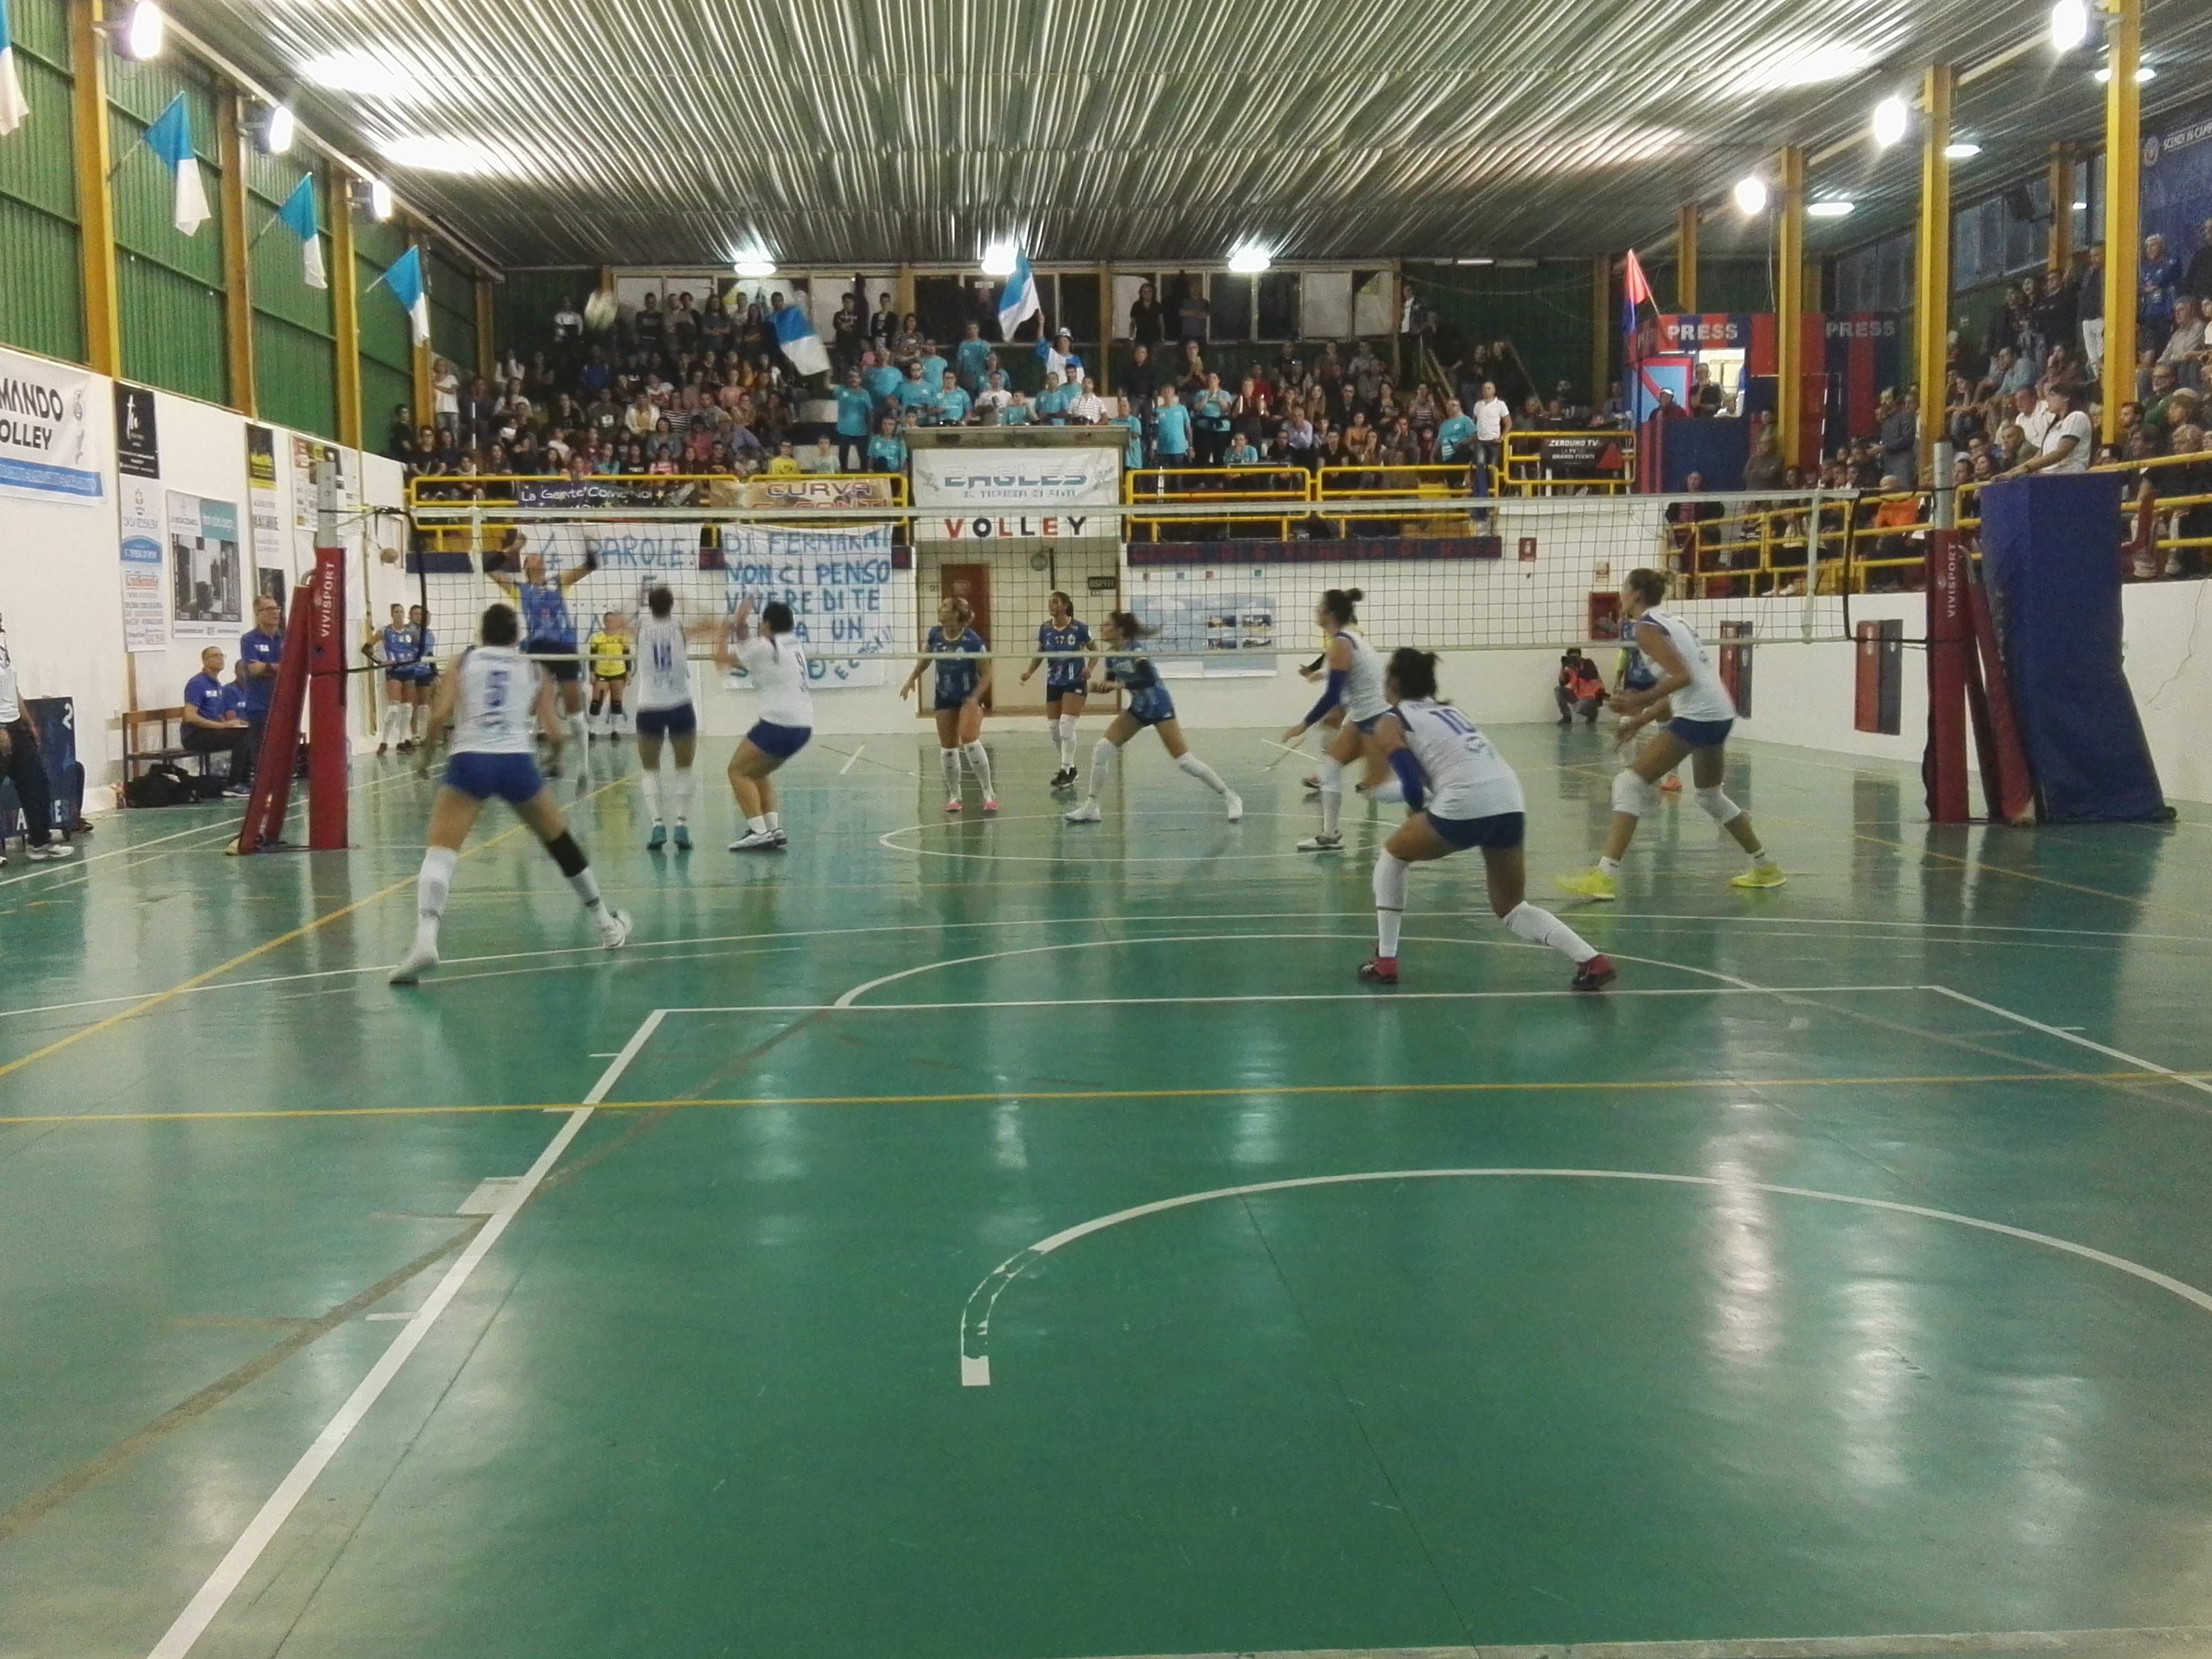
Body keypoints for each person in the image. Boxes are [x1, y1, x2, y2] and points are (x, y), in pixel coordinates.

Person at [388, 602, 629, 985]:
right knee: (560, 843)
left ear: (481, 633)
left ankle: (425, 940)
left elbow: (438, 716)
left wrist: (425, 757)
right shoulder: (534, 669)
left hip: (470, 760)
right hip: (516, 762)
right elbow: (555, 733)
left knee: (441, 853)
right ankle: (607, 925)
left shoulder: (463, 662)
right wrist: (554, 759)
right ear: (517, 636)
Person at [1360, 648, 1611, 991]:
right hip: (1509, 798)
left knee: (1393, 855)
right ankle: (1591, 960)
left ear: (1393, 683)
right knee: (1512, 907)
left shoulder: (1390, 720)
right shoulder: (1451, 711)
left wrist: (1415, 810)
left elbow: (1410, 779)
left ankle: (1385, 961)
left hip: (1465, 801)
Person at [1557, 568, 1785, 900]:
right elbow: (1683, 682)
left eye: (1624, 590)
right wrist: (1642, 719)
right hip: (1720, 712)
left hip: (1699, 715)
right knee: (1710, 795)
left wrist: (1639, 701)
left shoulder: (1645, 628)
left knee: (1628, 783)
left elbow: (1683, 677)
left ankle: (1603, 877)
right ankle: (1766, 868)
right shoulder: (1674, 621)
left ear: (1636, 595)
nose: (1621, 596)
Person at [1062, 612, 1242, 824]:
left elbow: (1149, 679)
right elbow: (1111, 683)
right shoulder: (1111, 655)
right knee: (1102, 749)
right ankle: (1091, 808)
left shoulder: (1136, 651)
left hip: (1159, 705)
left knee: (1185, 761)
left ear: (1121, 630)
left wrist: (1119, 685)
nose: (1102, 629)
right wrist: (1097, 687)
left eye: (1107, 625)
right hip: (1139, 707)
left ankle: (1230, 796)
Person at [1285, 589, 1391, 852]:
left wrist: (1304, 724)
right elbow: (1343, 678)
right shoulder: (1345, 639)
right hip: (1361, 714)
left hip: (1376, 716)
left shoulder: (1342, 643)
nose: (1316, 610)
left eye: (1320, 606)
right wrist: (1320, 678)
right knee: (1330, 769)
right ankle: (1329, 836)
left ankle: (1432, 796)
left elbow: (1333, 693)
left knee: (1375, 789)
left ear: (1330, 613)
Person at [483, 530, 595, 769]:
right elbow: (488, 567)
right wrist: (514, 549)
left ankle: (584, 766)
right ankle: (531, 760)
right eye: (531, 557)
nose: (537, 558)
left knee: (574, 709)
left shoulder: (559, 583)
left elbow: (591, 565)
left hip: (565, 648)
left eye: (539, 557)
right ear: (525, 566)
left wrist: (587, 543)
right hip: (537, 650)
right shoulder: (519, 589)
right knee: (536, 706)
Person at [618, 585, 716, 851]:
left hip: (649, 708)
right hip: (680, 706)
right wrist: (686, 601)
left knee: (650, 769)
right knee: (684, 768)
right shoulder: (681, 628)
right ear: (672, 605)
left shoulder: (640, 628)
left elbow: (616, 620)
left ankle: (658, 825)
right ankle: (682, 825)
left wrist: (634, 598)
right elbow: (711, 623)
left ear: (649, 606)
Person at [716, 598, 814, 852]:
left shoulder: (764, 648)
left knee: (737, 771)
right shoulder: (792, 643)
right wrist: (741, 624)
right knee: (758, 772)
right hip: (804, 726)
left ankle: (759, 832)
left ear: (767, 625)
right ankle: (773, 828)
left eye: (762, 623)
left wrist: (725, 631)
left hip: (779, 724)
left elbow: (721, 659)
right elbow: (749, 650)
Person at [900, 596, 996, 812]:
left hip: (968, 695)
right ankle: (955, 796)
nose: (940, 608)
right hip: (944, 695)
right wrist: (911, 679)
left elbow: (987, 674)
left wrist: (975, 697)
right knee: (948, 749)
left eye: (945, 606)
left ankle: (988, 793)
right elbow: (926, 659)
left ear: (956, 613)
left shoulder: (973, 641)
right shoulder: (935, 634)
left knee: (970, 742)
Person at [0, 613, 70, 862]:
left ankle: (40, 843)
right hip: (1, 728)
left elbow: (13, 690)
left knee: (36, 784)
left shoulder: (3, 648)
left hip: (16, 726)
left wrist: (27, 721)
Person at [1020, 590, 1094, 787]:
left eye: (1055, 602)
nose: (1051, 606)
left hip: (1075, 681)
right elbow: (1040, 653)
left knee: (1066, 724)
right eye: (1050, 602)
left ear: (1065, 605)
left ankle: (1065, 770)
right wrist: (1029, 672)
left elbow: (1095, 651)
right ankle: (1072, 768)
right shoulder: (1045, 628)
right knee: (1054, 729)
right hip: (1053, 682)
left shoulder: (1079, 628)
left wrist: (1090, 668)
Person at [181, 644, 253, 794]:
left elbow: (218, 714)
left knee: (249, 732)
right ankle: (234, 783)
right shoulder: (197, 683)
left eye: (222, 656)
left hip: (212, 732)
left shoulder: (218, 685)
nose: (220, 659)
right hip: (195, 735)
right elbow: (190, 716)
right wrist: (222, 726)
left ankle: (246, 780)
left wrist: (235, 723)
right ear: (205, 661)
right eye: (216, 656)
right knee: (242, 737)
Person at [236, 593, 286, 790]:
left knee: (283, 749)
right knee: (263, 752)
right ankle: (264, 789)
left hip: (284, 703)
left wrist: (268, 667)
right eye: (269, 609)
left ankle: (281, 787)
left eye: (277, 608)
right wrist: (281, 668)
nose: (275, 613)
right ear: (258, 613)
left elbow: (296, 666)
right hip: (259, 706)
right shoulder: (250, 639)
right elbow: (254, 669)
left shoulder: (286, 637)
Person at [1996, 388, 2092, 479]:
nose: (2048, 400)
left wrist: (2027, 469)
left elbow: (2061, 453)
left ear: (2066, 398)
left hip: (2069, 475)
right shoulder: (2054, 425)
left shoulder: (2077, 417)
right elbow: (2039, 456)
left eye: (2053, 395)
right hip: (2049, 477)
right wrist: (2011, 472)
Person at [371, 602, 422, 755]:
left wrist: (417, 659)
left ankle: (402, 741)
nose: (399, 614)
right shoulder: (385, 631)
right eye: (396, 612)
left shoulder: (411, 632)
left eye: (401, 612)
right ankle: (384, 742)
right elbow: (366, 648)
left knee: (408, 708)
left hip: (409, 670)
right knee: (393, 708)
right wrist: (380, 662)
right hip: (394, 671)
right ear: (392, 615)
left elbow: (420, 649)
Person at [586, 613, 632, 739]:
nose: (609, 623)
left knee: (617, 702)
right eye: (607, 620)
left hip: (618, 672)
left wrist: (628, 673)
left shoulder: (622, 637)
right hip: (602, 672)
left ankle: (615, 730)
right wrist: (592, 673)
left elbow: (627, 656)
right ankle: (592, 730)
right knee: (597, 701)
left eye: (612, 621)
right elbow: (593, 656)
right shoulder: (597, 637)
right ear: (604, 622)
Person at [407, 604, 439, 748]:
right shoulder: (408, 631)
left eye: (421, 614)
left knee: (425, 705)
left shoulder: (430, 635)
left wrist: (435, 673)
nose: (419, 617)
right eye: (416, 614)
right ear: (410, 616)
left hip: (425, 671)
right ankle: (415, 735)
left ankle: (425, 735)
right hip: (411, 671)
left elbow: (430, 654)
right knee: (412, 704)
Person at [1555, 649, 1606, 724]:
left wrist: (1575, 668)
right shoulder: (1570, 669)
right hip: (1578, 696)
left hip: (1592, 697)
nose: (1574, 660)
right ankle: (1567, 717)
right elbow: (1562, 682)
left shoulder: (1588, 663)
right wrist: (1563, 666)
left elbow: (1589, 675)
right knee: (1558, 690)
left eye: (1575, 658)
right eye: (1571, 658)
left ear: (1580, 657)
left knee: (1579, 708)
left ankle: (1593, 715)